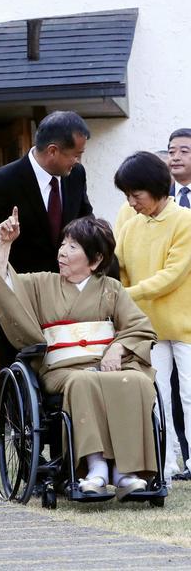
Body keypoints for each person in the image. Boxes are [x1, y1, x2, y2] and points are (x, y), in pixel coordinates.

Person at [0, 212, 158, 498]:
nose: (62, 252)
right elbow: (3, 283)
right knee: (82, 381)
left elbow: (139, 326)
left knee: (138, 381)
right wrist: (5, 243)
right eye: (63, 244)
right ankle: (96, 468)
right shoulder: (42, 283)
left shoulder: (111, 288)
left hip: (106, 364)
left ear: (95, 259)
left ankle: (126, 472)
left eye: (73, 247)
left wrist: (117, 347)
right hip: (61, 369)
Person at [0, 111, 93, 367]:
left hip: (67, 301)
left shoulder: (76, 175)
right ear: (52, 151)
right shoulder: (1, 183)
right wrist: (10, 291)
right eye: (75, 154)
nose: (77, 160)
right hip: (19, 306)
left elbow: (86, 223)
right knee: (17, 385)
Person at [114, 151, 191, 479]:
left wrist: (125, 295)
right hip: (148, 328)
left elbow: (173, 273)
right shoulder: (131, 228)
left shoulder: (185, 220)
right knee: (156, 397)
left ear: (158, 188)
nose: (131, 202)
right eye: (127, 196)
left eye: (136, 195)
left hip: (186, 326)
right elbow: (119, 269)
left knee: (189, 397)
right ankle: (168, 462)